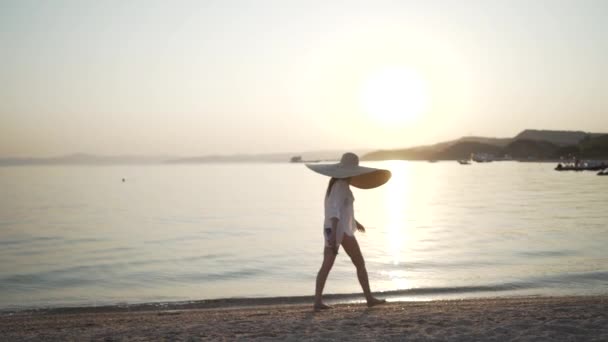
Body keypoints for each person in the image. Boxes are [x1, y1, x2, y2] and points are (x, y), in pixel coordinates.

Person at [306, 152, 392, 311]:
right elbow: (334, 213)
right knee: (346, 264)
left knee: (341, 264)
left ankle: (366, 298)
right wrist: (333, 238)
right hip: (338, 230)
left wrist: (356, 222)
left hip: (338, 229)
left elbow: (342, 209)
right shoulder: (340, 186)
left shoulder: (339, 184)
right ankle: (367, 299)